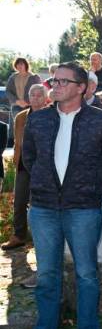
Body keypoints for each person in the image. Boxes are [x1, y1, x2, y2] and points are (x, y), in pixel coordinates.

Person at [23, 61, 102, 329]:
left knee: (87, 275)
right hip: (43, 209)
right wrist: (45, 187)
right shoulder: (38, 119)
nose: (54, 86)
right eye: (53, 81)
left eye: (61, 82)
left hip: (83, 209)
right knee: (46, 276)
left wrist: (91, 189)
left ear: (81, 88)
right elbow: (30, 159)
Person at [2, 84, 47, 250]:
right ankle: (18, 235)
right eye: (32, 95)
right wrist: (15, 159)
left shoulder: (51, 115)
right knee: (19, 201)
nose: (35, 98)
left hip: (43, 166)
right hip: (22, 164)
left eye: (39, 95)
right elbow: (16, 141)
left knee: (40, 203)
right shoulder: (21, 116)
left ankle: (41, 238)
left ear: (45, 98)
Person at [6, 57, 42, 143]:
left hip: (30, 106)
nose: (19, 66)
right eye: (17, 64)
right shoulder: (12, 77)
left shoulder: (34, 77)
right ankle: (16, 144)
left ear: (26, 65)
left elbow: (39, 90)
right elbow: (8, 91)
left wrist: (27, 101)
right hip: (16, 105)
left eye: (21, 64)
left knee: (29, 126)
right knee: (18, 125)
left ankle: (29, 143)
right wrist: (17, 101)